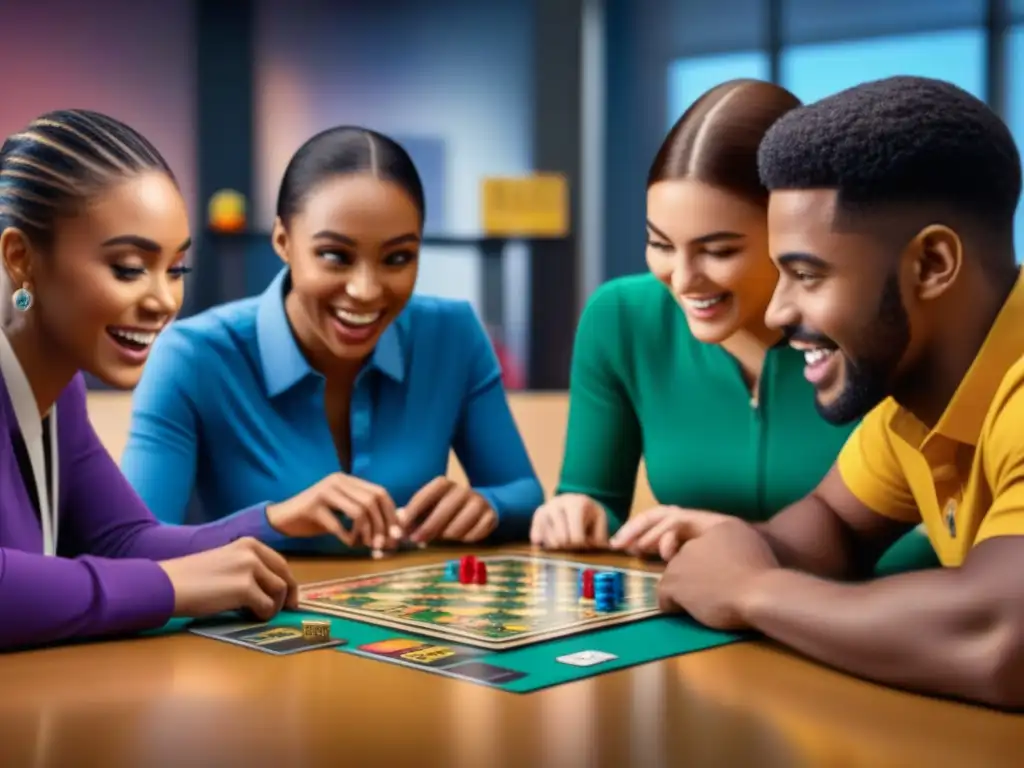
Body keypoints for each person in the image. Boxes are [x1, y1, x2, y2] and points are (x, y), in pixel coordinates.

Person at [655, 76, 1024, 709]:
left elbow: (1003, 641)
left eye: (806, 274)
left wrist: (751, 592)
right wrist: (748, 551)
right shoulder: (913, 403)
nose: (775, 311)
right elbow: (830, 528)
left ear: (932, 265)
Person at [530, 79, 934, 572]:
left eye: (719, 251)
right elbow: (595, 502)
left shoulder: (880, 328)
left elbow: (943, 545)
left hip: (863, 629)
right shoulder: (621, 318)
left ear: (796, 231)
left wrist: (751, 544)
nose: (681, 280)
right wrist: (577, 512)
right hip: (704, 621)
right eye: (660, 243)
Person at [121, 126, 542, 555]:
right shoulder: (191, 357)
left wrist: (488, 506)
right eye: (335, 256)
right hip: (257, 618)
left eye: (398, 258)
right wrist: (275, 521)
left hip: (401, 613)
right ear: (283, 241)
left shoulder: (453, 335)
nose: (365, 289)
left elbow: (525, 494)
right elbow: (133, 547)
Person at [0, 110, 308, 651]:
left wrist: (277, 520)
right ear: (21, 259)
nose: (164, 301)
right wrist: (168, 586)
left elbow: (121, 538)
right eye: (127, 267)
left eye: (176, 270)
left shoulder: (61, 389)